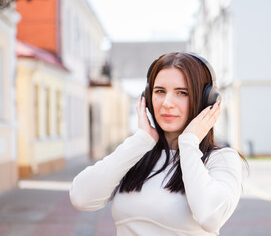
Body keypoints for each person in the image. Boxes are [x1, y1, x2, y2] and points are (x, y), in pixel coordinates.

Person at [69, 52, 247, 236]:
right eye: (160, 91)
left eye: (182, 93)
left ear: (205, 100)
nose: (167, 103)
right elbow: (81, 198)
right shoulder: (136, 154)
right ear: (147, 96)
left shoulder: (221, 159)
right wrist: (141, 141)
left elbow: (211, 217)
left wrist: (188, 144)